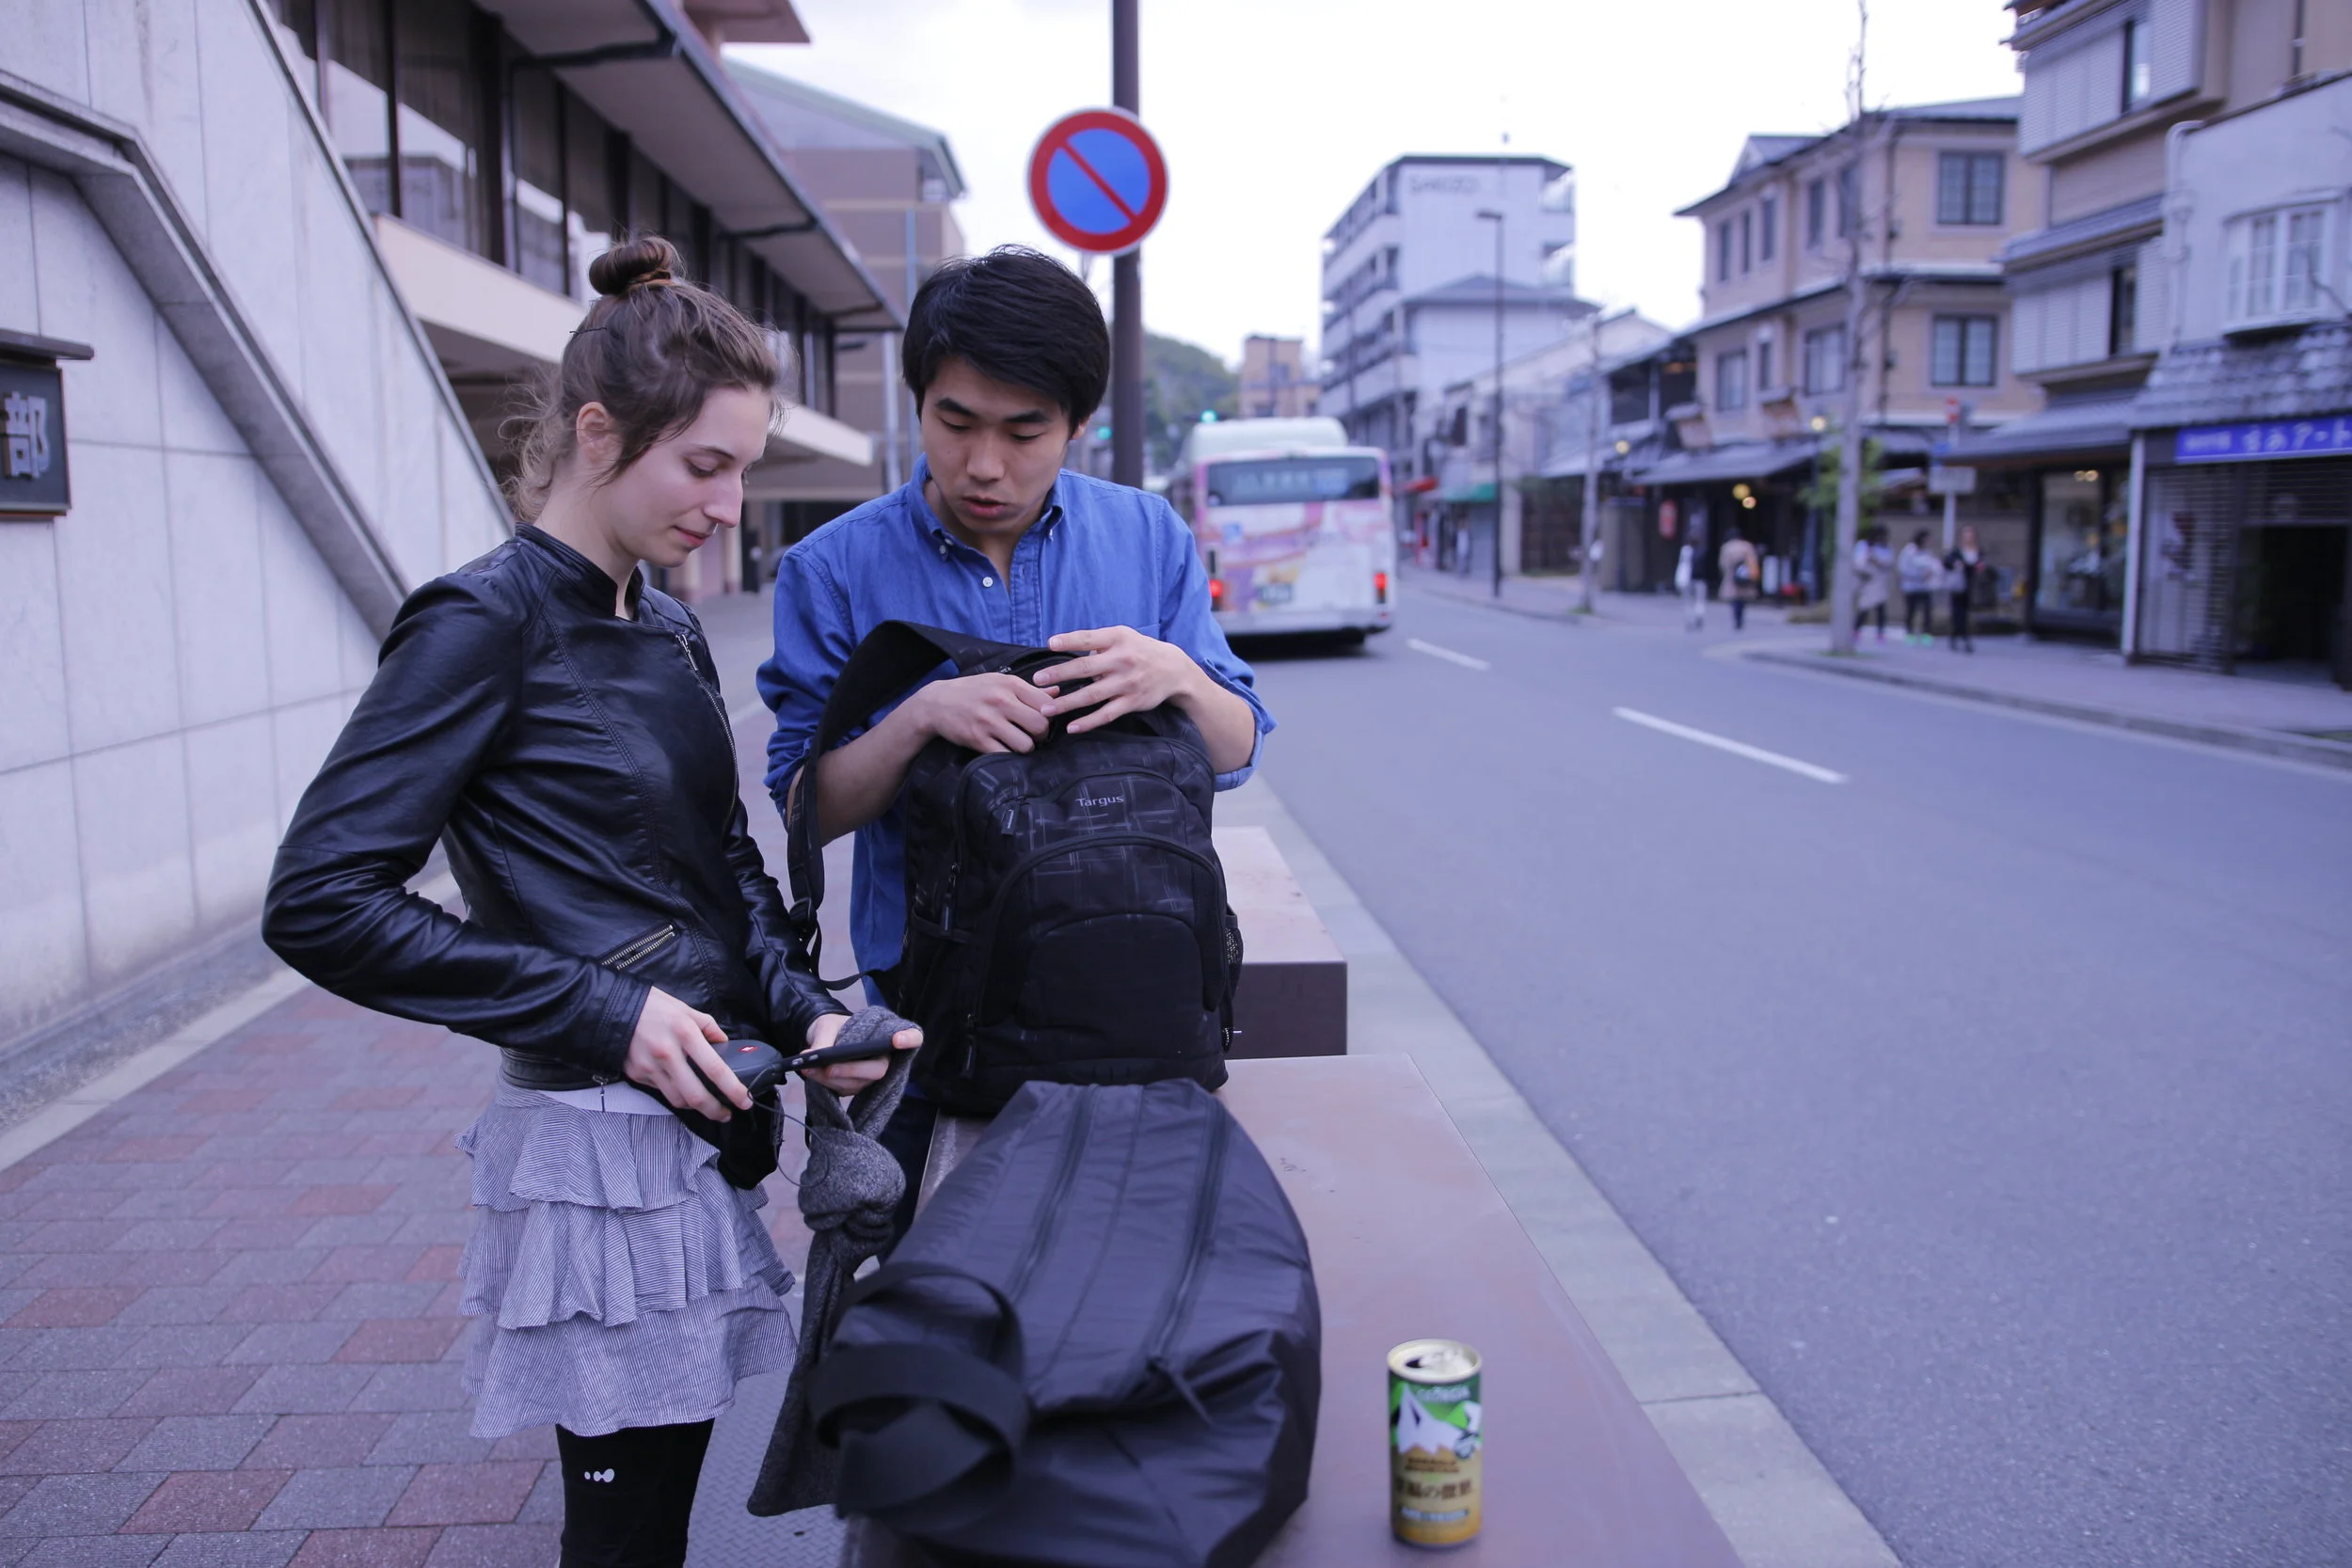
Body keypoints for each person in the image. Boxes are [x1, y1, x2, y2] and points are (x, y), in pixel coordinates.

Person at [261, 236, 919, 1568]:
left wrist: (805, 1009)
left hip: (696, 1116)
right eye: (705, 464)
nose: (728, 504)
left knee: (650, 1518)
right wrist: (606, 1011)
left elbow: (721, 860)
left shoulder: (666, 623)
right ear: (598, 431)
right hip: (594, 1140)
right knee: (624, 1533)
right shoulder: (477, 620)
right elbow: (319, 898)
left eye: (742, 468)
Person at [758, 245, 1273, 1227]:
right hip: (926, 1021)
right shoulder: (833, 568)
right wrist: (919, 719)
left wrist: (1176, 674)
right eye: (954, 422)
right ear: (918, 404)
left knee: (1125, 1273)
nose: (984, 464)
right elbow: (802, 812)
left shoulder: (1148, 536)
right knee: (927, 1281)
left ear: (1077, 423)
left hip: (1137, 997)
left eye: (1025, 429)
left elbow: (1239, 748)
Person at [1944, 523, 1984, 653]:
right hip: (1957, 585)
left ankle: (1955, 635)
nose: (1969, 536)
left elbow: (1981, 566)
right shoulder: (1957, 551)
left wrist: (1979, 568)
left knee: (1965, 611)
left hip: (1970, 585)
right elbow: (1947, 563)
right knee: (1958, 611)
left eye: (1971, 534)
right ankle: (1964, 637)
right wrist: (1957, 564)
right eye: (1967, 534)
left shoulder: (1978, 551)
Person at [1898, 528, 1940, 644]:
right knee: (1911, 611)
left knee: (1927, 611)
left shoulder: (1927, 552)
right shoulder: (1909, 551)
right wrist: (1920, 575)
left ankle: (1926, 633)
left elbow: (1932, 566)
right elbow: (1903, 569)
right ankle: (1909, 633)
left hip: (1925, 587)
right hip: (1911, 587)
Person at [1717, 525, 1761, 632]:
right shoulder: (1747, 546)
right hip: (1745, 575)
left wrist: (1727, 572)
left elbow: (1723, 563)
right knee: (1742, 599)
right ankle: (1741, 618)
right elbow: (1753, 561)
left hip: (1732, 576)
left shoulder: (1727, 547)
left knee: (1734, 598)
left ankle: (1737, 619)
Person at [1853, 525, 1893, 641]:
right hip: (1867, 580)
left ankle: (1880, 632)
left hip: (1880, 581)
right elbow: (1858, 562)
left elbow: (1890, 561)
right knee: (1864, 607)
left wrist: (1878, 562)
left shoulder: (1887, 547)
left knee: (1881, 608)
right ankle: (1856, 630)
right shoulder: (1863, 545)